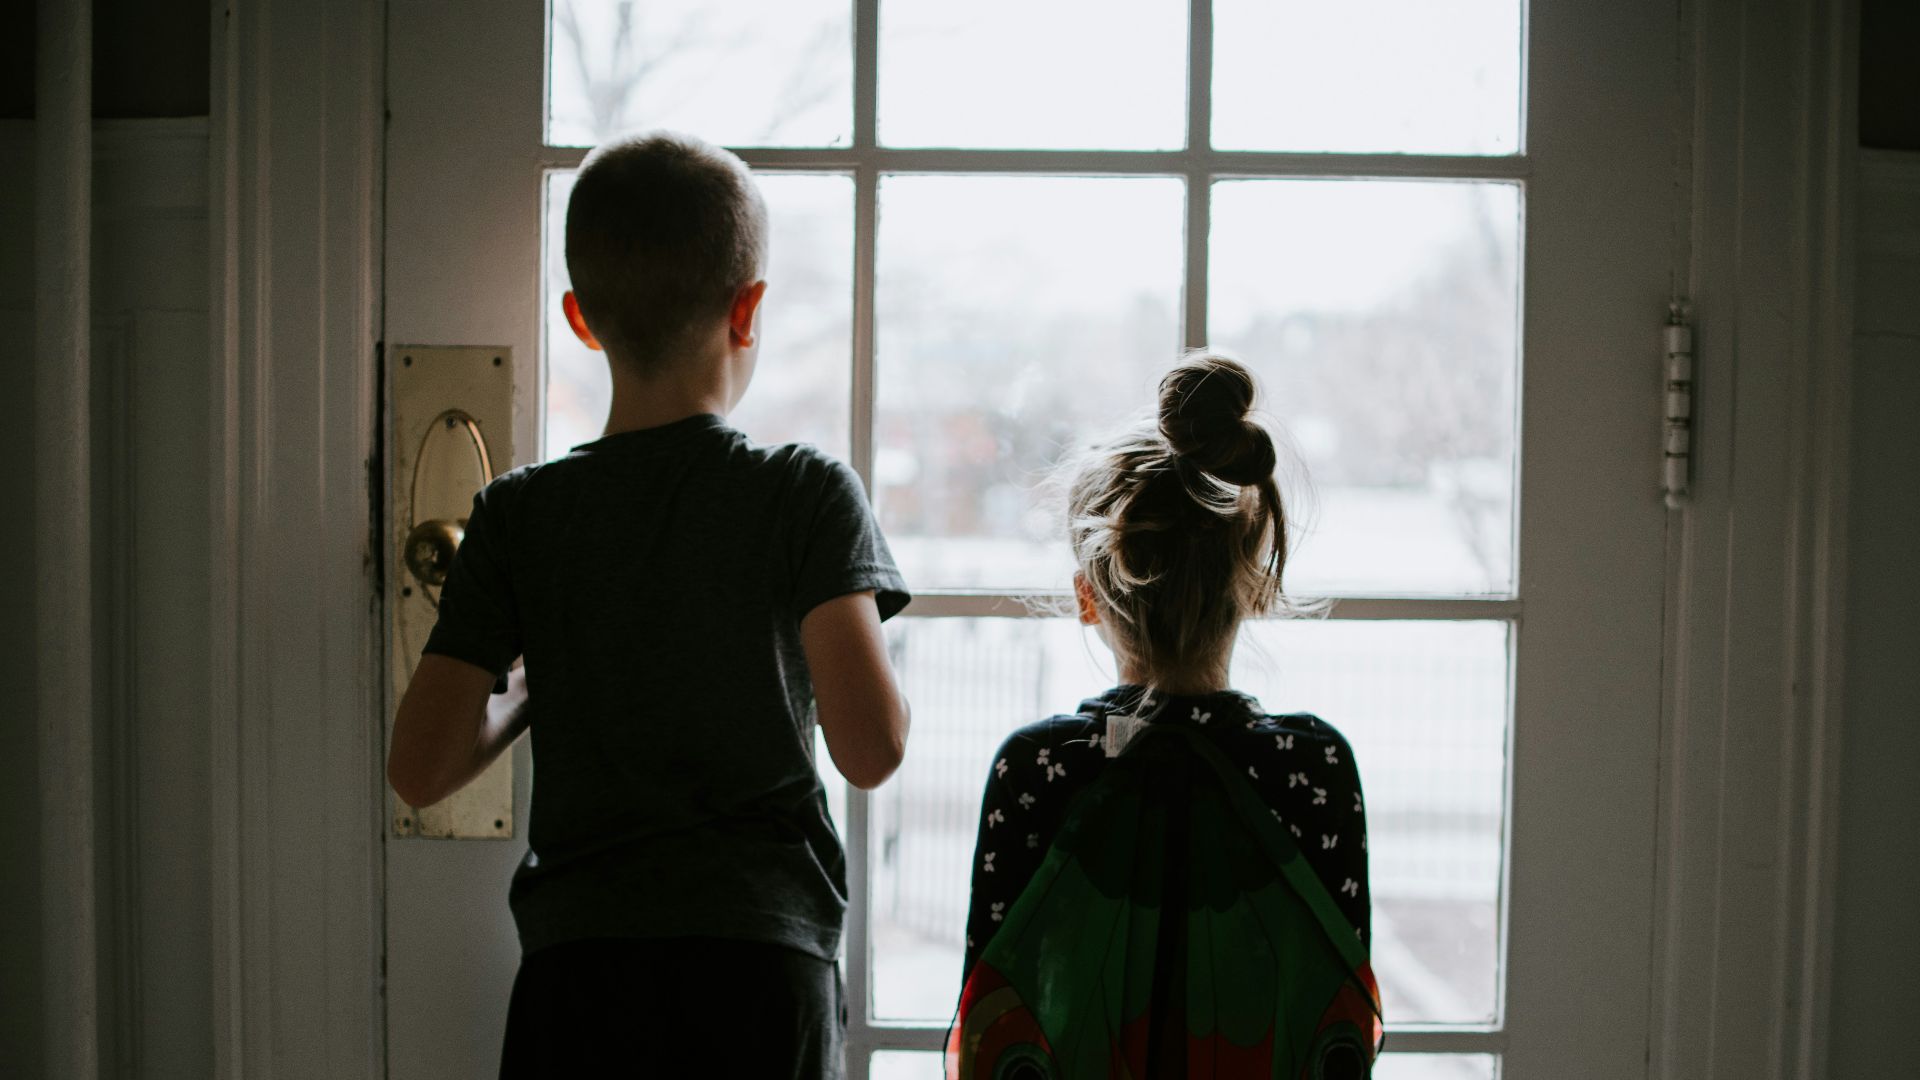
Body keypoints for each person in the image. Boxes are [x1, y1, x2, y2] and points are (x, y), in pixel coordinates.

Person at [387, 131, 911, 1080]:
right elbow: (870, 750)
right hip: (760, 965)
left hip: (583, 973)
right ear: (746, 311)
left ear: (581, 319)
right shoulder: (803, 493)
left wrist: (543, 679)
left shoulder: (520, 515)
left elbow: (421, 770)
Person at [951, 353, 1378, 1077]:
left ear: (1089, 595)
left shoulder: (1037, 768)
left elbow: (993, 1017)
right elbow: (1338, 1019)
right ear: (1255, 584)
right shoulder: (1312, 766)